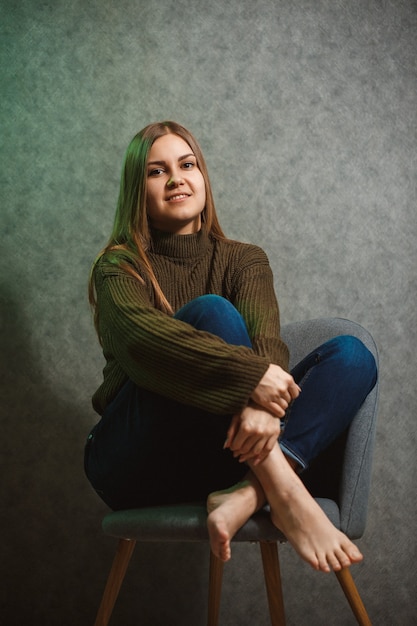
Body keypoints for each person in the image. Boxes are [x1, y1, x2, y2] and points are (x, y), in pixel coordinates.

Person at [85, 121, 377, 573]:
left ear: (203, 176)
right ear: (136, 190)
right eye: (156, 172)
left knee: (354, 356)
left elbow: (266, 341)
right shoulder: (118, 266)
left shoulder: (243, 259)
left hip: (224, 457)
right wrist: (253, 380)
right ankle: (285, 494)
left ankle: (246, 493)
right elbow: (141, 341)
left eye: (187, 164)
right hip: (135, 459)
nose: (177, 178)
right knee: (214, 313)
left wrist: (262, 406)